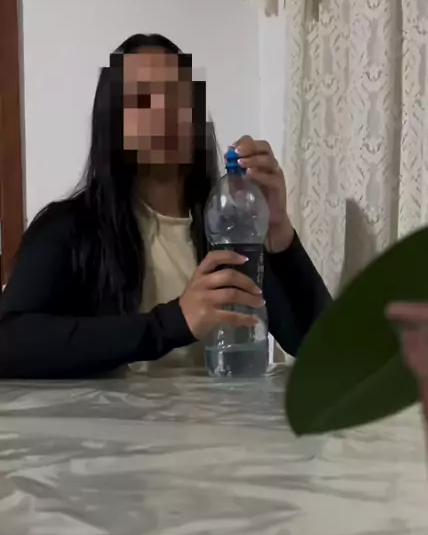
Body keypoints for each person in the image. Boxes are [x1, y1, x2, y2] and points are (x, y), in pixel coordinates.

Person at [0, 33, 331, 379]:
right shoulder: (69, 228)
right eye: (141, 100)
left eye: (177, 95)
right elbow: (8, 342)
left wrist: (279, 233)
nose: (164, 112)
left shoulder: (229, 226)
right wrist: (173, 322)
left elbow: (325, 347)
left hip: (223, 414)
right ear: (112, 122)